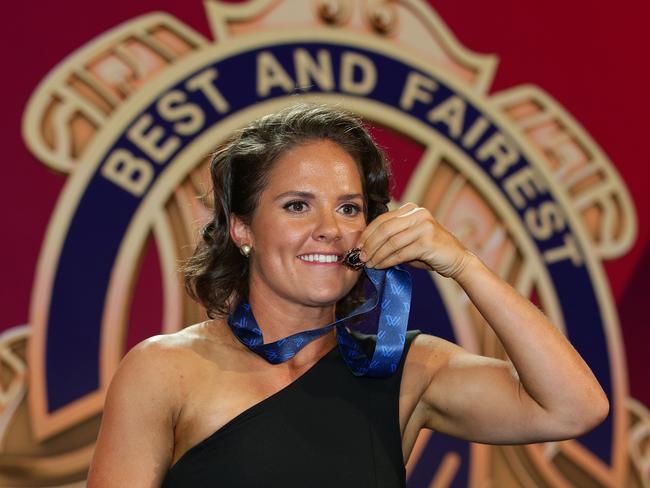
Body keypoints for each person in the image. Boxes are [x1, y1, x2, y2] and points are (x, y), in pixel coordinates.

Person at [87, 103, 609, 487]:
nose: (329, 229)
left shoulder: (407, 370)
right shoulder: (164, 369)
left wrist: (464, 266)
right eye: (297, 206)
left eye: (349, 208)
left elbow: (574, 408)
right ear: (242, 229)